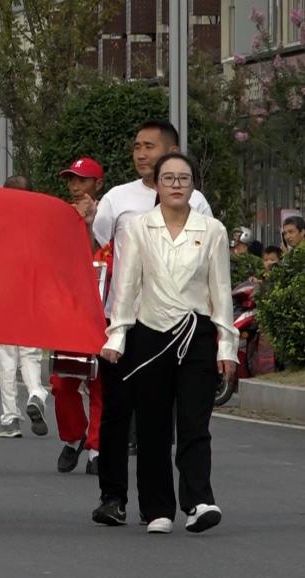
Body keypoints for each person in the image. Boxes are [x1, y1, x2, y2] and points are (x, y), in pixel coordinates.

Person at [97, 152, 234, 534]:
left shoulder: (213, 230)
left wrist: (227, 348)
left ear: (193, 186)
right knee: (154, 426)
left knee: (194, 423)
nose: (176, 184)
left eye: (183, 178)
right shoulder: (140, 228)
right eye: (168, 178)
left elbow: (220, 292)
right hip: (150, 335)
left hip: (196, 335)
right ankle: (158, 508)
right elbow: (127, 287)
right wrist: (117, 335)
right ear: (156, 185)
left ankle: (198, 501)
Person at [51, 157, 106, 473]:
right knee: (62, 382)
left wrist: (89, 223)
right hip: (69, 313)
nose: (75, 186)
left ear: (97, 184)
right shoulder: (62, 216)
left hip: (104, 313)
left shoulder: (108, 215)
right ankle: (73, 437)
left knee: (101, 384)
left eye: (82, 180)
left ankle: (96, 448)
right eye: (71, 180)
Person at [0, 175, 50, 438]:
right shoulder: (41, 224)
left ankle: (10, 418)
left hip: (4, 298)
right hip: (32, 298)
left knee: (7, 359)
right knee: (30, 354)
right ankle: (36, 393)